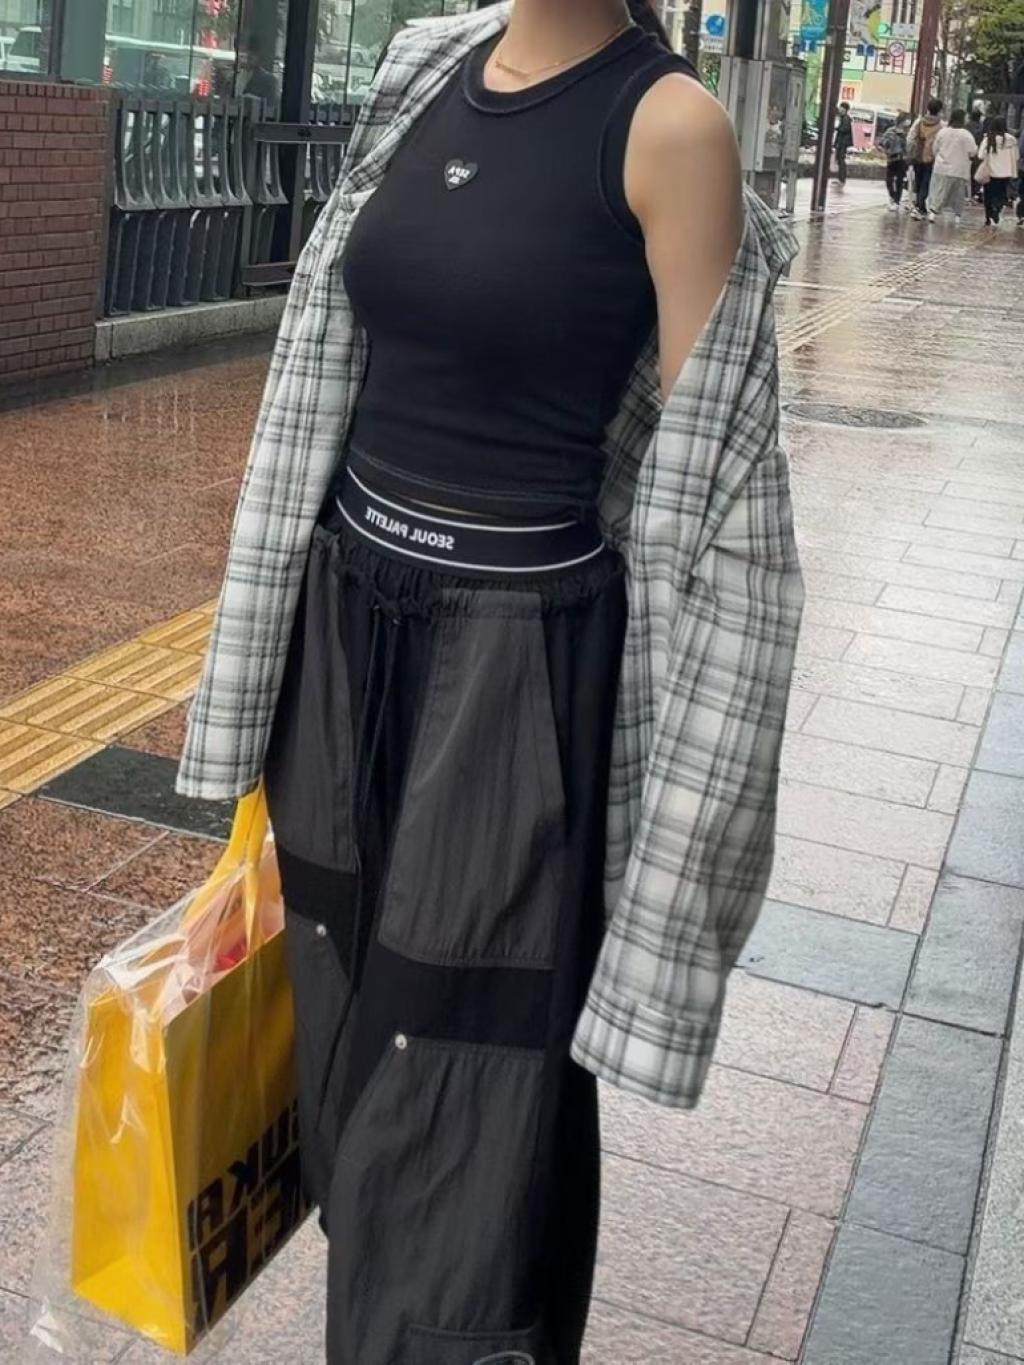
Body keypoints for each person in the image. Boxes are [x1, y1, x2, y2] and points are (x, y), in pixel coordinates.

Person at [176, 1, 803, 1360]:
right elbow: (330, 363)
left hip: (517, 665)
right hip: (345, 636)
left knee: (464, 1059)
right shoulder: (424, 64)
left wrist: (683, 875)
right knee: (342, 1003)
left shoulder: (670, 127)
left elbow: (722, 508)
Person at [927, 108, 978, 225]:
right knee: (958, 195)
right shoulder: (966, 135)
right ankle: (957, 216)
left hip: (941, 168)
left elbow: (935, 149)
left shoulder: (943, 132)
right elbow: (973, 151)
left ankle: (933, 213)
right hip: (959, 170)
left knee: (938, 192)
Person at [976, 115, 1019, 226]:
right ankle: (996, 211)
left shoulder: (988, 139)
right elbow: (1016, 157)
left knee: (988, 195)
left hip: (990, 172)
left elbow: (980, 155)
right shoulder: (1011, 140)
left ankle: (988, 216)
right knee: (1001, 195)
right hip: (1005, 173)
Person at [907, 96, 944, 219]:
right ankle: (920, 205)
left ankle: (918, 205)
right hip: (931, 157)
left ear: (928, 109)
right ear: (939, 110)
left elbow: (910, 138)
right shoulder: (941, 126)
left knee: (918, 180)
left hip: (918, 154)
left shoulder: (920, 122)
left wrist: (911, 151)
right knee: (926, 182)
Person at [878, 113, 911, 211]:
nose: (907, 122)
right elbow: (882, 143)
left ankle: (897, 201)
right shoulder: (890, 131)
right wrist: (884, 150)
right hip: (891, 158)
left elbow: (908, 147)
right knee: (889, 180)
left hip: (902, 159)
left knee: (899, 181)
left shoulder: (907, 133)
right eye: (906, 120)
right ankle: (892, 196)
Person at [833, 100, 853, 184]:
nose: (839, 110)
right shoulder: (842, 118)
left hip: (843, 143)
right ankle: (840, 178)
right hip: (841, 142)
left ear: (845, 109)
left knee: (841, 160)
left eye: (841, 108)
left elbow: (845, 129)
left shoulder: (846, 118)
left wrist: (837, 128)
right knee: (839, 160)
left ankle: (842, 179)